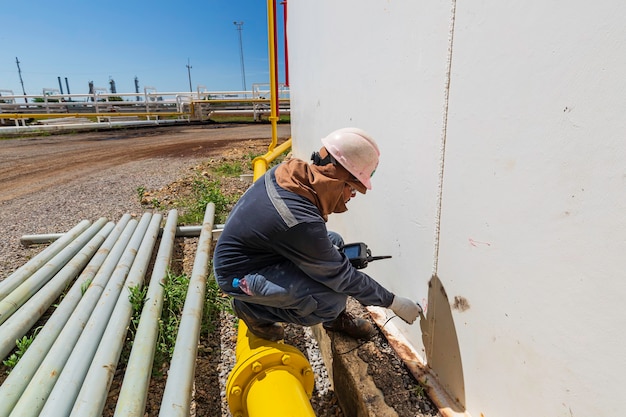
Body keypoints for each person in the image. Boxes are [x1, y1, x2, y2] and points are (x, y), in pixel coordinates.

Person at [213, 127, 422, 341]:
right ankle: (252, 310)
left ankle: (334, 322)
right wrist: (392, 302)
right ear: (336, 179)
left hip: (260, 253)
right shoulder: (299, 221)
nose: (353, 196)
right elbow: (340, 276)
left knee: (335, 242)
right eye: (352, 189)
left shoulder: (291, 174)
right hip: (239, 274)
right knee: (330, 301)